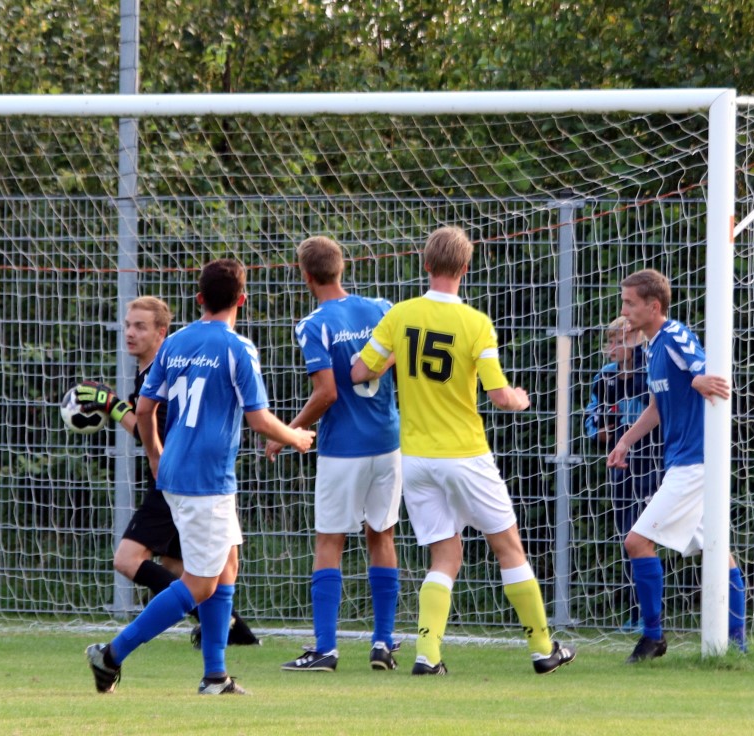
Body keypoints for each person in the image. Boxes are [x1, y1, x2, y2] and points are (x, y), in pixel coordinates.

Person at [352, 226, 575, 676]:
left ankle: (427, 654)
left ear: (426, 264)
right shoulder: (476, 323)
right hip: (465, 454)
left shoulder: (400, 315)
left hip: (416, 458)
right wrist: (520, 398)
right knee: (508, 546)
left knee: (445, 555)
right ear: (466, 269)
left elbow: (359, 371)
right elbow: (499, 395)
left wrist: (395, 355)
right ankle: (542, 649)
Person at [85, 258, 314, 695]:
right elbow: (259, 419)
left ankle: (215, 675)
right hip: (204, 479)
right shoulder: (238, 348)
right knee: (200, 584)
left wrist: (156, 455)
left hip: (183, 474)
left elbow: (145, 409)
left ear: (199, 299)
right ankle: (111, 654)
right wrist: (296, 437)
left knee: (227, 567)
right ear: (242, 300)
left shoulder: (174, 344)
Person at [75, 296, 258, 648]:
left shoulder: (166, 368)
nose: (130, 333)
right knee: (179, 567)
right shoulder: (150, 368)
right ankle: (232, 634)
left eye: (140, 327)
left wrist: (112, 405)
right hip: (181, 478)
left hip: (173, 478)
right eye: (128, 325)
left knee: (128, 560)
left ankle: (218, 625)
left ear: (161, 333)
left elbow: (155, 428)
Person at [264, 236, 403, 673]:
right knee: (382, 536)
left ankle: (325, 648)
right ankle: (383, 642)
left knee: (329, 541)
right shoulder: (381, 308)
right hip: (388, 442)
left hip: (344, 448)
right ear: (342, 267)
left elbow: (326, 393)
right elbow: (398, 356)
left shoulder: (313, 324)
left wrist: (288, 430)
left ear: (306, 276)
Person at [606, 268, 745, 662]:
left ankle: (653, 637)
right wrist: (625, 441)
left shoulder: (675, 335)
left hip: (695, 464)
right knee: (718, 552)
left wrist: (700, 379)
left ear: (654, 306)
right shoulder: (652, 348)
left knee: (636, 541)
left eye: (630, 303)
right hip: (684, 462)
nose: (624, 310)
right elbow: (656, 407)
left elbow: (702, 367)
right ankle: (737, 647)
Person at [586, 316, 663, 632]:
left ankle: (652, 615)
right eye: (610, 341)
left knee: (647, 537)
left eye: (620, 340)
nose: (613, 347)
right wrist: (602, 432)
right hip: (622, 466)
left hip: (655, 464)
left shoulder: (652, 372)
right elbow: (593, 422)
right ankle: (636, 614)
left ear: (638, 342)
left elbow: (664, 412)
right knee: (628, 537)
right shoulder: (605, 378)